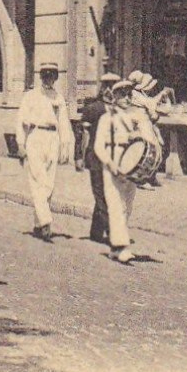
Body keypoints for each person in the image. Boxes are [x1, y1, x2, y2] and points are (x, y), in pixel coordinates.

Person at [17, 61, 74, 242]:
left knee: (49, 183)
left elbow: (64, 122)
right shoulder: (31, 96)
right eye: (46, 75)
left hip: (52, 139)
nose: (49, 79)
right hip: (35, 137)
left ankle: (37, 224)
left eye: (52, 75)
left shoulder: (58, 97)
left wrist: (65, 144)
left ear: (56, 77)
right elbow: (21, 121)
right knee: (38, 179)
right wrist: (21, 144)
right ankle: (46, 221)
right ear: (40, 76)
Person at [92, 77, 144, 265]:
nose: (128, 98)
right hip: (113, 165)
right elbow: (98, 146)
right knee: (115, 206)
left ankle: (115, 247)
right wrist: (109, 163)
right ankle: (122, 248)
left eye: (130, 94)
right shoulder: (107, 119)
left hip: (131, 167)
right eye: (124, 95)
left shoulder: (136, 117)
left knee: (126, 207)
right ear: (115, 96)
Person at [80, 72, 118, 247]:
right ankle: (113, 232)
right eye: (107, 86)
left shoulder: (120, 110)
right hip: (95, 158)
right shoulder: (94, 109)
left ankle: (95, 232)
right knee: (101, 195)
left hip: (113, 160)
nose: (110, 90)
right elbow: (84, 135)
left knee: (105, 195)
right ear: (102, 88)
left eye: (114, 87)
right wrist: (78, 157)